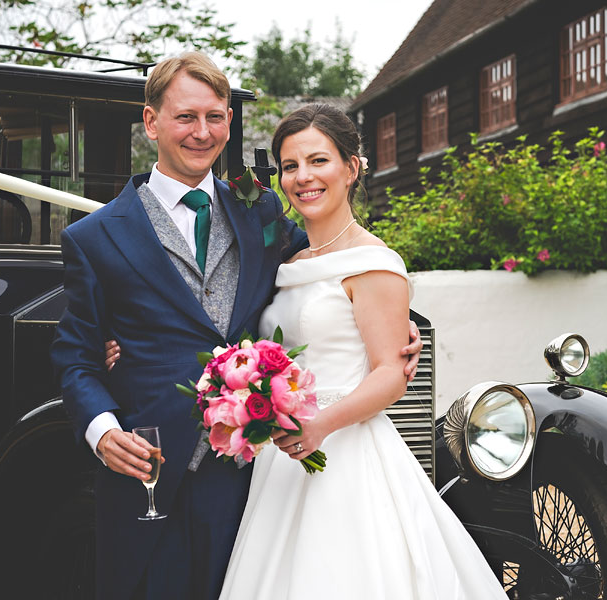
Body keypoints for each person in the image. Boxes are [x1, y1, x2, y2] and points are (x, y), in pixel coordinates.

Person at [51, 53, 420, 600]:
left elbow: (333, 271)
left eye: (216, 117)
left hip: (255, 478)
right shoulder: (94, 237)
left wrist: (401, 325)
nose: (203, 133)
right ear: (151, 122)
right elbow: (75, 358)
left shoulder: (262, 212)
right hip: (151, 475)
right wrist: (103, 431)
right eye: (185, 117)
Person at [216, 104, 509, 599]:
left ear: (351, 168)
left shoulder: (375, 263)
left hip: (345, 449)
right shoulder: (290, 259)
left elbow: (391, 375)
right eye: (290, 166)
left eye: (318, 161)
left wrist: (321, 425)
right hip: (283, 460)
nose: (303, 177)